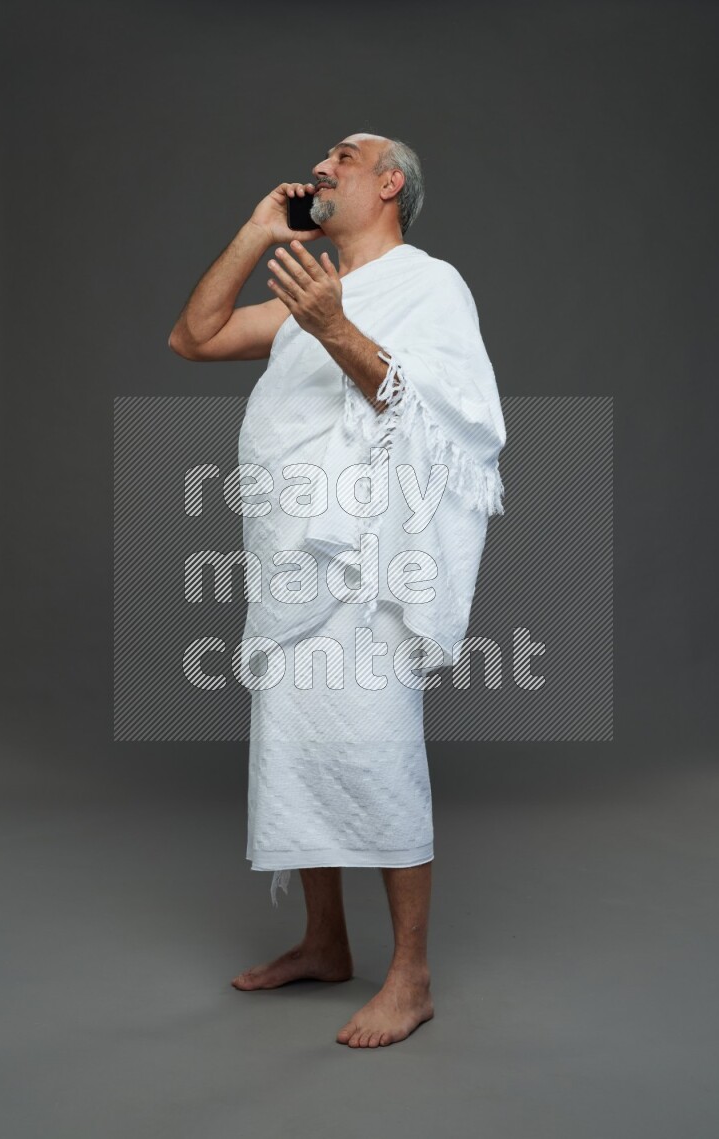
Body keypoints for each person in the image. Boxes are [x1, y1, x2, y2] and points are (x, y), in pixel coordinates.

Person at [168, 132, 506, 1048]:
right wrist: (253, 233)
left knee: (374, 746)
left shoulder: (430, 286)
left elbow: (441, 417)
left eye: (344, 158)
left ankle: (413, 974)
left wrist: (333, 327)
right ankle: (324, 940)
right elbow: (192, 336)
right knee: (299, 746)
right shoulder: (309, 293)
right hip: (290, 559)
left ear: (391, 182)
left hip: (369, 563)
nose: (321, 166)